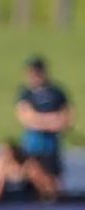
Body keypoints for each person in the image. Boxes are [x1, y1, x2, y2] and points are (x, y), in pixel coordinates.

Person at [15, 56, 74, 190]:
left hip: (52, 147)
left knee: (55, 183)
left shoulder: (57, 92)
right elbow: (27, 119)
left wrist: (40, 120)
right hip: (32, 146)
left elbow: (66, 119)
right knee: (33, 178)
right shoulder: (25, 93)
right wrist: (52, 120)